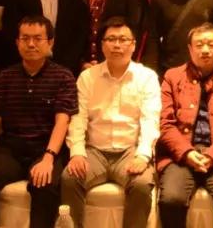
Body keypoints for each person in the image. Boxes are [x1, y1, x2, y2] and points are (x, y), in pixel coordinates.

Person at [0, 15, 77, 228]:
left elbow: (62, 121)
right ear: (17, 42)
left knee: (45, 184)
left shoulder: (63, 77)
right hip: (11, 148)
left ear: (50, 42)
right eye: (25, 38)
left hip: (45, 148)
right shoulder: (4, 77)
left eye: (38, 38)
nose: (31, 44)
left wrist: (48, 158)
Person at [61, 17, 160, 228]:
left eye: (123, 39)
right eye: (111, 39)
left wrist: (143, 155)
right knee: (70, 179)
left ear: (133, 45)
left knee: (142, 184)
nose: (117, 45)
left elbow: (150, 119)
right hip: (95, 151)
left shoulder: (147, 77)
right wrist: (77, 152)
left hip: (129, 152)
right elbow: (78, 118)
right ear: (101, 45)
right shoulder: (87, 77)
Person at [156, 23, 213, 228]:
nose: (205, 50)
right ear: (190, 49)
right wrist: (187, 153)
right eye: (199, 45)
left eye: (211, 44)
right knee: (171, 200)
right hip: (181, 155)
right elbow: (166, 124)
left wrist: (212, 155)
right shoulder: (172, 77)